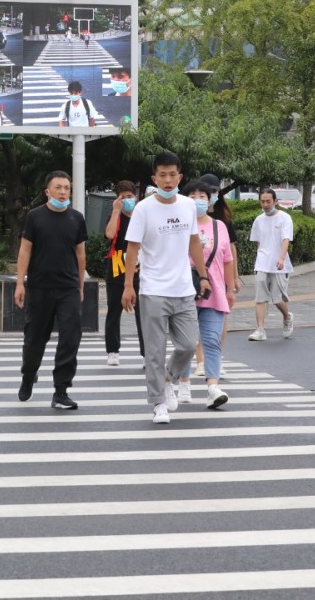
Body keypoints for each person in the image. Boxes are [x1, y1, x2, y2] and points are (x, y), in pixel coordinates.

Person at [122, 151, 211, 424]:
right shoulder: (143, 208)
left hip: (183, 289)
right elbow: (132, 248)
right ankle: (158, 403)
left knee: (186, 345)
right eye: (162, 175)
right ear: (154, 178)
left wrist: (204, 275)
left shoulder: (187, 206)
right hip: (153, 290)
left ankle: (169, 378)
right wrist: (128, 286)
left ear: (180, 177)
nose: (168, 180)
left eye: (173, 174)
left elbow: (194, 241)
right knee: (155, 352)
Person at [14, 171, 88, 410]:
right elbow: (25, 250)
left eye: (67, 187)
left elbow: (80, 253)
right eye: (58, 187)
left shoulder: (76, 218)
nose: (63, 192)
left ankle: (61, 390)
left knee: (70, 338)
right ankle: (28, 376)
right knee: (35, 338)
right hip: (39, 287)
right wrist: (19, 283)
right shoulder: (35, 217)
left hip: (68, 288)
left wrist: (80, 285)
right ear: (48, 191)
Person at [176, 181, 234, 408]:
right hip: (184, 290)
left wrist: (230, 289)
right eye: (192, 194)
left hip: (214, 291)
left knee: (211, 340)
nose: (198, 199)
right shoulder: (178, 224)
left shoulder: (220, 226)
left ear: (210, 201)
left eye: (203, 195)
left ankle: (212, 386)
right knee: (186, 343)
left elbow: (227, 259)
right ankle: (183, 383)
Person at [194, 173, 240, 376]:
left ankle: (215, 357)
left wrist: (234, 278)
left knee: (219, 319)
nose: (210, 195)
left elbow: (230, 251)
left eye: (214, 191)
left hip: (218, 276)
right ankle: (200, 360)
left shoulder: (222, 218)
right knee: (194, 319)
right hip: (194, 276)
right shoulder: (190, 215)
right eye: (207, 192)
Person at [103, 180, 144, 366]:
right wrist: (116, 211)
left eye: (130, 197)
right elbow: (110, 235)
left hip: (140, 268)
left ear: (136, 197)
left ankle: (146, 353)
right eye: (123, 197)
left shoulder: (142, 216)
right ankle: (112, 351)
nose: (127, 200)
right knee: (114, 311)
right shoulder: (117, 216)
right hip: (117, 267)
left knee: (143, 313)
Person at [248, 187, 294, 341]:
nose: (265, 204)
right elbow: (258, 242)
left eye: (268, 201)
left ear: (275, 201)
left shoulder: (285, 218)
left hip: (279, 265)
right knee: (260, 298)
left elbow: (285, 239)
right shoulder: (258, 220)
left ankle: (287, 316)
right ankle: (260, 329)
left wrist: (281, 258)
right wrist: (260, 258)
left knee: (277, 299)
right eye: (262, 201)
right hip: (262, 263)